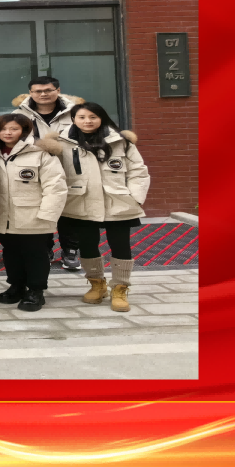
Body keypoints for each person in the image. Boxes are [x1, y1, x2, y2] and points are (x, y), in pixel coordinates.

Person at [55, 103, 150, 312]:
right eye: (81, 117)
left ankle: (120, 288)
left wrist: (136, 198)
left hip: (117, 202)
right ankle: (97, 284)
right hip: (80, 201)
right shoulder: (62, 143)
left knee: (120, 245)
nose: (87, 121)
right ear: (73, 119)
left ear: (102, 118)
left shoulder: (121, 142)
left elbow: (138, 171)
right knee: (87, 245)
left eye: (93, 117)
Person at [0, 114, 67, 312]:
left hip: (33, 215)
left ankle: (36, 290)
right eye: (3, 129)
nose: (8, 133)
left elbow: (55, 186)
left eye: (14, 129)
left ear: (24, 131)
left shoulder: (40, 153)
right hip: (2, 215)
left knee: (35, 254)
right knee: (11, 252)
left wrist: (48, 214)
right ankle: (16, 286)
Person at [13, 75, 86, 272]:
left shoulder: (76, 112)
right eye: (38, 91)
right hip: (35, 169)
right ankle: (45, 248)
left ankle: (70, 251)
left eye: (48, 90)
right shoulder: (19, 114)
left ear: (58, 91)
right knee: (41, 208)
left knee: (70, 211)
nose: (43, 94)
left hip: (70, 166)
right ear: (30, 93)